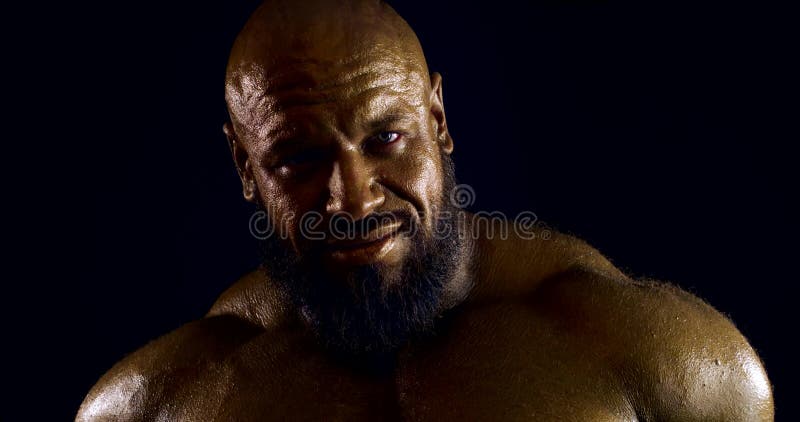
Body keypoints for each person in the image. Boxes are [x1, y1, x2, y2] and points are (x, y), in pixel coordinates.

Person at [77, 0, 773, 420]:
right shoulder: (162, 403)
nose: (350, 198)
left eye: (385, 139)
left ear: (438, 120)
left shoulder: (655, 357)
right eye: (298, 160)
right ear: (245, 168)